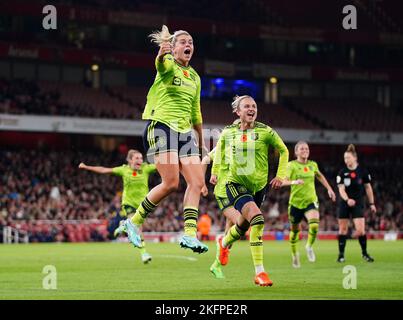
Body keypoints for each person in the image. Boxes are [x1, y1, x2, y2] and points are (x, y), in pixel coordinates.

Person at [123, 25, 209, 254]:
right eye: (182, 41)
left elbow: (196, 112)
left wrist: (201, 143)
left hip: (184, 133)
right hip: (161, 126)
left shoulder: (195, 77)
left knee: (197, 182)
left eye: (190, 41)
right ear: (174, 47)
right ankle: (134, 221)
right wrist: (162, 54)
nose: (188, 44)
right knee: (171, 183)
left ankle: (190, 235)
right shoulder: (169, 65)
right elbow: (160, 65)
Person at [212, 95, 289, 286]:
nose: (251, 109)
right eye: (246, 106)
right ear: (238, 111)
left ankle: (223, 243)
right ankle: (260, 273)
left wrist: (280, 175)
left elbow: (284, 150)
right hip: (235, 183)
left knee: (240, 228)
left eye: (254, 106)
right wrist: (214, 172)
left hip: (258, 187)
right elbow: (220, 152)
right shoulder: (228, 132)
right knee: (258, 219)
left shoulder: (266, 131)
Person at [78, 149, 156, 264]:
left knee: (135, 226)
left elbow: (163, 166)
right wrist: (87, 167)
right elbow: (104, 170)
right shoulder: (123, 170)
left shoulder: (146, 168)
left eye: (141, 158)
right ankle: (143, 253)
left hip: (143, 205)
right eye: (137, 158)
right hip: (128, 203)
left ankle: (123, 225)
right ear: (129, 160)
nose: (140, 160)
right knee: (138, 227)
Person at [281, 141, 336, 268]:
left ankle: (309, 246)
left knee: (315, 225)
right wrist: (294, 181)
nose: (305, 150)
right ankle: (295, 255)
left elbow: (320, 176)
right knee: (295, 231)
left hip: (311, 200)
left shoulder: (313, 165)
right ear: (296, 152)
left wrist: (329, 189)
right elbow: (283, 181)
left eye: (306, 149)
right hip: (295, 203)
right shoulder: (291, 166)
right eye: (302, 149)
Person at [201, 134, 242, 279]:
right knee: (241, 223)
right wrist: (202, 183)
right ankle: (221, 244)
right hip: (224, 193)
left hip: (238, 192)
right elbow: (205, 160)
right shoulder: (222, 147)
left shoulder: (244, 149)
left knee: (230, 234)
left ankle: (216, 265)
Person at [336, 144, 376, 263]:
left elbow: (368, 188)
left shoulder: (363, 171)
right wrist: (347, 199)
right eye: (345, 158)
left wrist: (372, 203)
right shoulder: (342, 172)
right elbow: (341, 189)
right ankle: (341, 255)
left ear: (355, 158)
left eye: (348, 158)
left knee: (361, 231)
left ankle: (364, 254)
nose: (346, 160)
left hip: (358, 203)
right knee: (342, 230)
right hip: (344, 203)